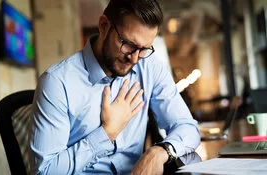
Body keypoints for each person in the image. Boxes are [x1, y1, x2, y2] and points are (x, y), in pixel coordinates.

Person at [29, 0, 201, 174]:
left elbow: (187, 127)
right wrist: (107, 133)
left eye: (143, 49)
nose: (134, 59)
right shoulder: (57, 82)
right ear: (104, 26)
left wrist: (160, 151)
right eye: (129, 45)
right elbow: (45, 171)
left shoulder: (149, 67)